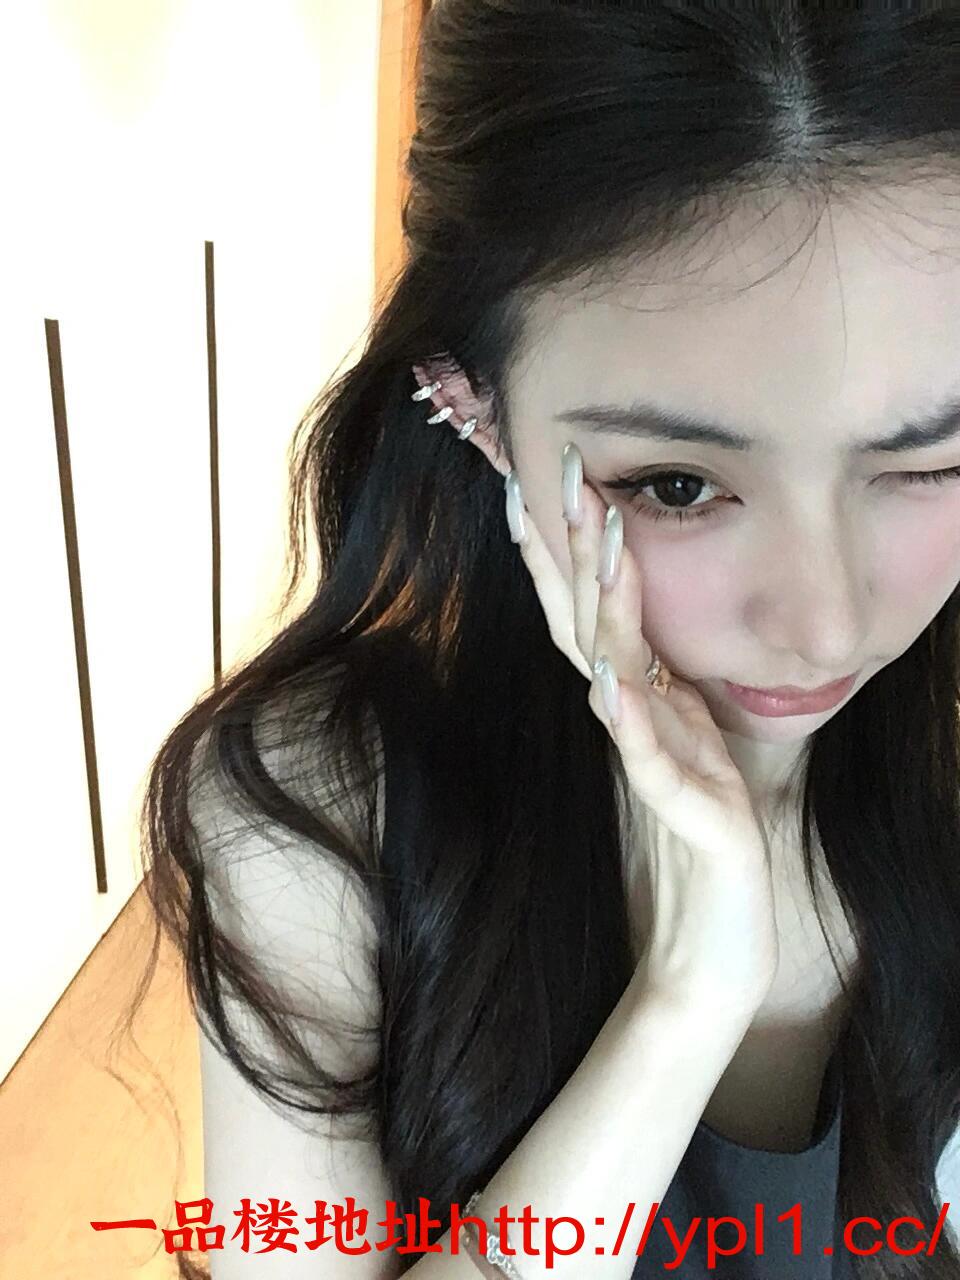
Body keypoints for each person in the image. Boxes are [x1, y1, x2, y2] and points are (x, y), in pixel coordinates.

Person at [136, 3, 960, 1277]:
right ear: (470, 406)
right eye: (677, 484)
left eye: (928, 465)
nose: (827, 625)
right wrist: (683, 1000)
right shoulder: (319, 813)